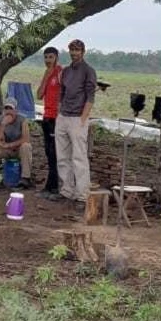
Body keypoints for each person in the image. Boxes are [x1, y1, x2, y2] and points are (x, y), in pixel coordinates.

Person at [56, 39, 97, 204]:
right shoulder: (66, 71)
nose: (74, 53)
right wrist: (59, 113)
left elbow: (90, 97)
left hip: (78, 118)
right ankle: (67, 190)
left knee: (79, 157)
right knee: (62, 157)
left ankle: (82, 195)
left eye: (77, 50)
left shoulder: (88, 71)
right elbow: (62, 93)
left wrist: (83, 119)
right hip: (63, 116)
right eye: (72, 50)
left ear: (83, 52)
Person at [0, 97, 33, 191]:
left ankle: (25, 178)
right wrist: (3, 125)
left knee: (26, 146)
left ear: (16, 110)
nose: (8, 111)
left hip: (18, 148)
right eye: (6, 108)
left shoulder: (22, 119)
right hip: (6, 149)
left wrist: (10, 145)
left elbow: (26, 138)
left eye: (11, 109)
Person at [35, 46, 63, 200]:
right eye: (46, 57)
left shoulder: (60, 72)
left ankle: (53, 187)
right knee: (48, 152)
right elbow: (39, 95)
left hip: (56, 118)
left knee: (54, 153)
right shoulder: (47, 73)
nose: (48, 60)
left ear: (56, 57)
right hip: (46, 117)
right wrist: (46, 76)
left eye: (51, 57)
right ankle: (50, 186)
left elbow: (64, 93)